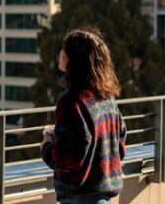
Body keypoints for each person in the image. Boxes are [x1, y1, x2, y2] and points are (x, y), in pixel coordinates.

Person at [41, 28, 128, 204]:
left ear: (73, 59)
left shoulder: (71, 101)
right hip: (104, 193)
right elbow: (119, 140)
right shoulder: (107, 98)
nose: (60, 52)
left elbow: (71, 159)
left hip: (79, 197)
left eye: (64, 49)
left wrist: (46, 146)